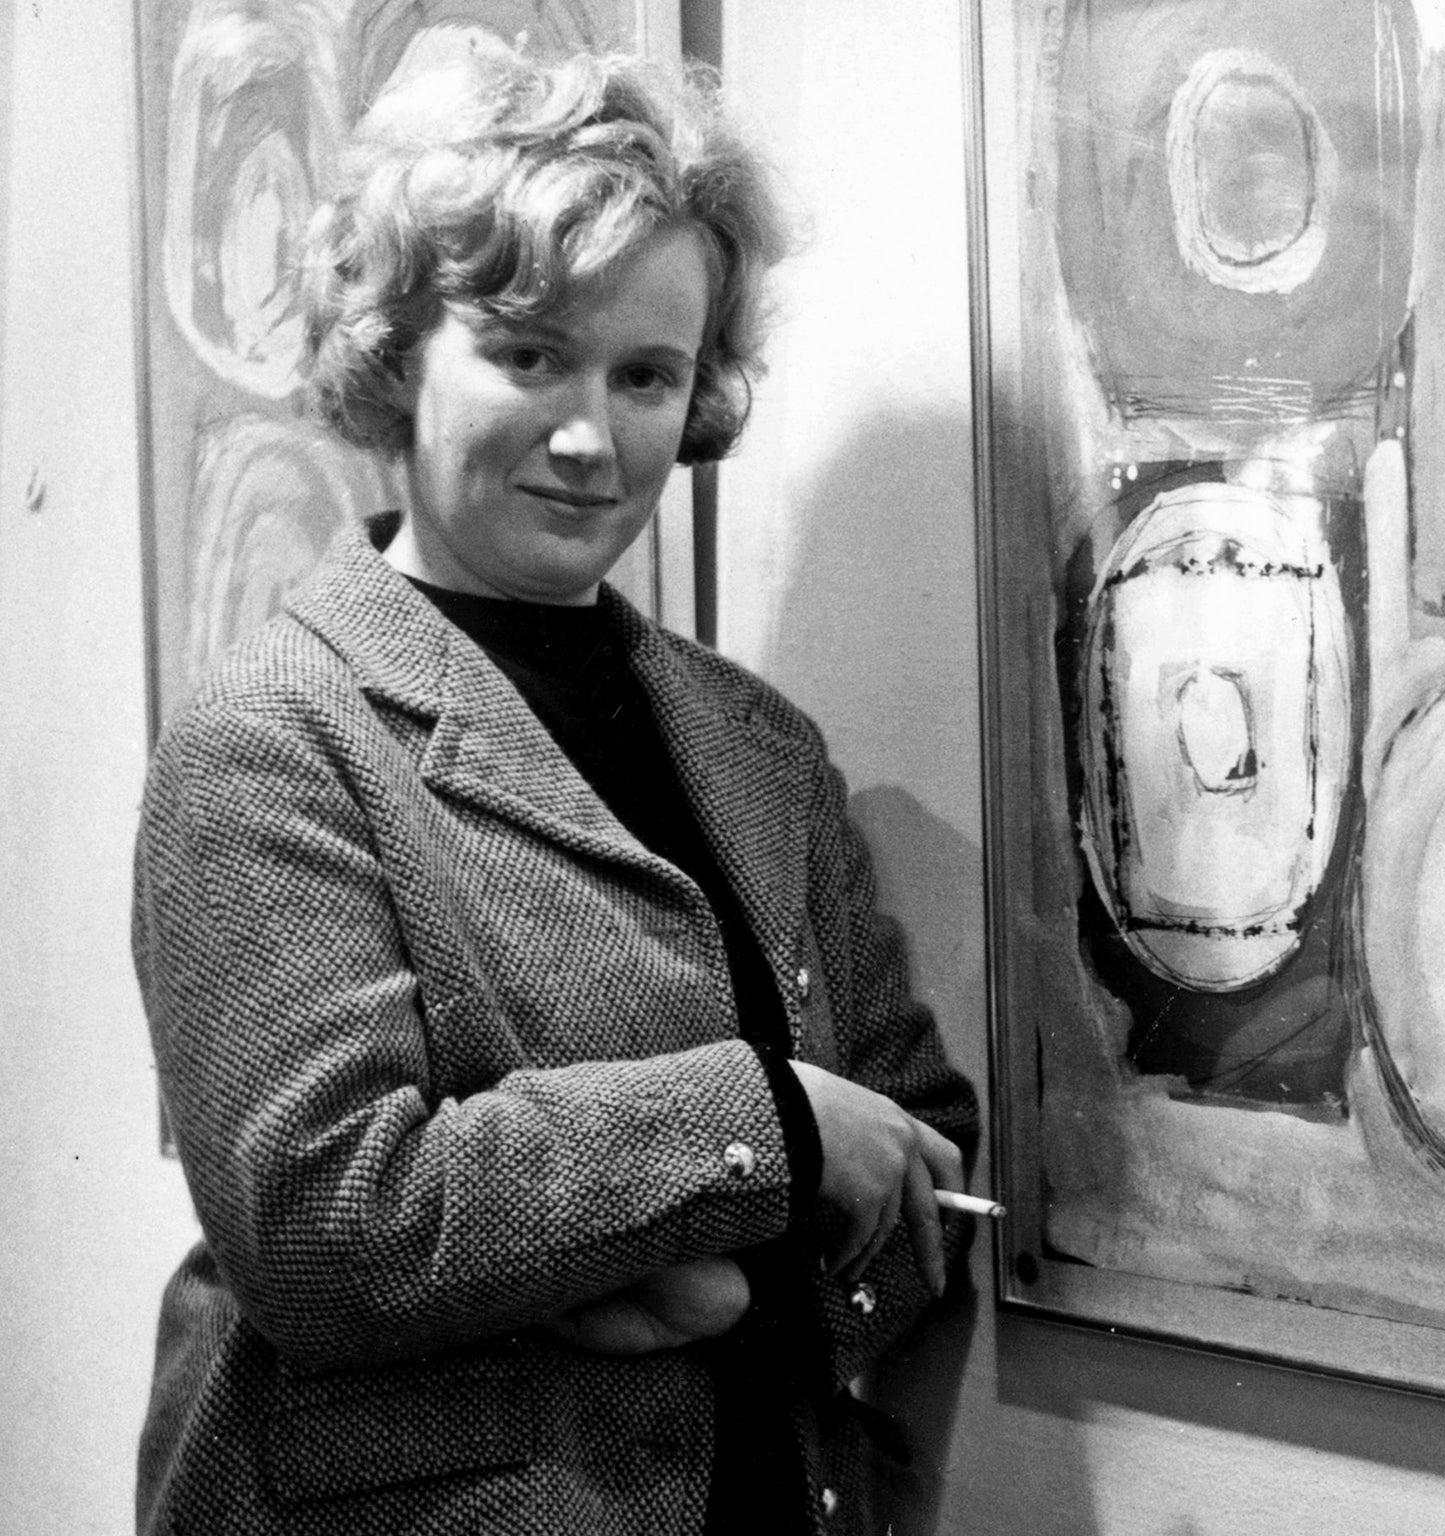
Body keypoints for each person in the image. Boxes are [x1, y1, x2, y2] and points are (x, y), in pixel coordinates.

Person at [131, 41, 977, 1536]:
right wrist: (760, 1136)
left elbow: (915, 1148)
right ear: (401, 348)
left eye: (646, 375)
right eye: (530, 356)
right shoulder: (272, 738)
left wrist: (684, 1265)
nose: (592, 437)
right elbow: (328, 1225)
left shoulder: (755, 747)